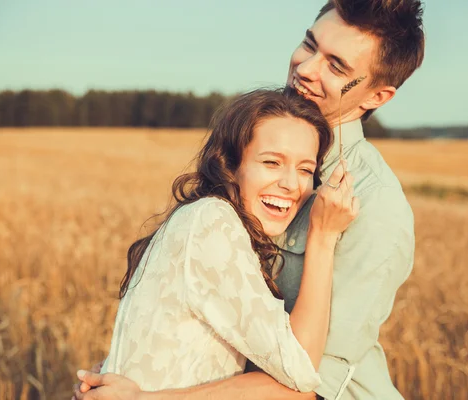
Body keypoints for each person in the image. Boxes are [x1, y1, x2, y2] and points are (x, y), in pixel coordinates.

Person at [75, 0, 425, 398]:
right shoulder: (252, 143)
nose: (306, 68)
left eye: (336, 66)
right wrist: (132, 366)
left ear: (376, 96)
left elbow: (308, 384)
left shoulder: (376, 207)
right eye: (309, 45)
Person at [72, 88, 359, 398]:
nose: (291, 184)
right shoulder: (212, 221)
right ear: (230, 166)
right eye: (272, 162)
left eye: (305, 170)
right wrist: (323, 237)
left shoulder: (203, 217)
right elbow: (300, 369)